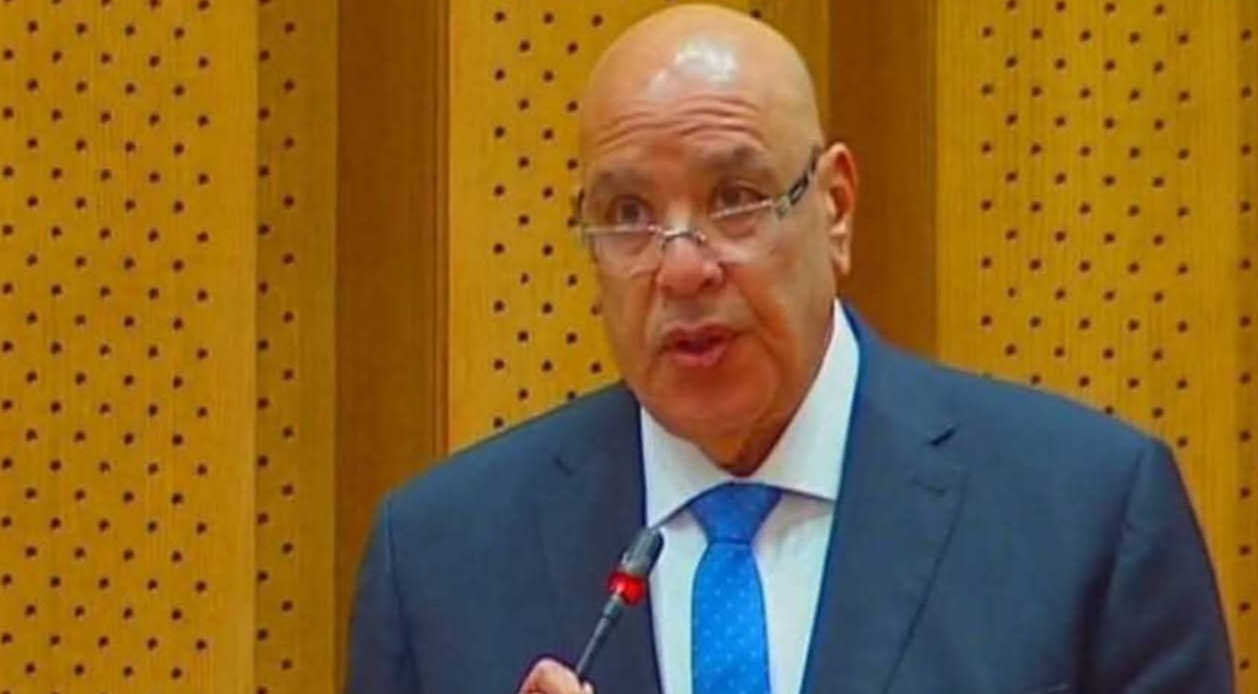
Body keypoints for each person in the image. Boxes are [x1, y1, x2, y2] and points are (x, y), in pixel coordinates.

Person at [345, 5, 1234, 694]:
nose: (682, 268)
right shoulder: (439, 563)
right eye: (628, 216)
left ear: (835, 209)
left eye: (735, 198)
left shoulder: (1086, 518)